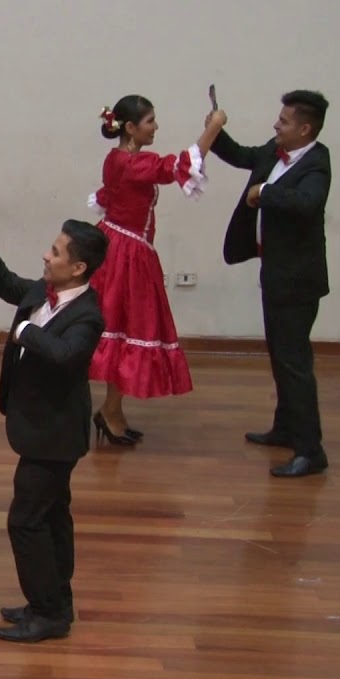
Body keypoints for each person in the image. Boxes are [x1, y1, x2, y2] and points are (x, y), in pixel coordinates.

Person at [0, 219, 108, 643]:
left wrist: (26, 330)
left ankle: (48, 614)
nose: (47, 256)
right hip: (40, 429)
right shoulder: (43, 293)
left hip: (55, 436)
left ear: (78, 268)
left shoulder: (88, 316)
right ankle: (55, 601)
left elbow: (65, 356)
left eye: (56, 252)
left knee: (25, 522)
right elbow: (7, 283)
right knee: (52, 518)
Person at [86, 96, 227, 445]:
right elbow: (178, 167)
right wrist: (214, 127)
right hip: (126, 253)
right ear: (131, 128)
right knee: (125, 329)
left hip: (121, 246)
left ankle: (111, 409)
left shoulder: (118, 159)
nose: (156, 127)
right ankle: (109, 411)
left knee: (120, 331)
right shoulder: (132, 163)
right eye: (150, 121)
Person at [207, 90, 332, 478]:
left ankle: (311, 451)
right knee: (280, 356)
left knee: (294, 363)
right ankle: (285, 427)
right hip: (275, 273)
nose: (276, 125)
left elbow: (307, 202)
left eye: (284, 121)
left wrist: (265, 192)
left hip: (298, 280)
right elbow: (241, 156)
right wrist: (214, 130)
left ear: (305, 128)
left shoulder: (317, 162)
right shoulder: (273, 151)